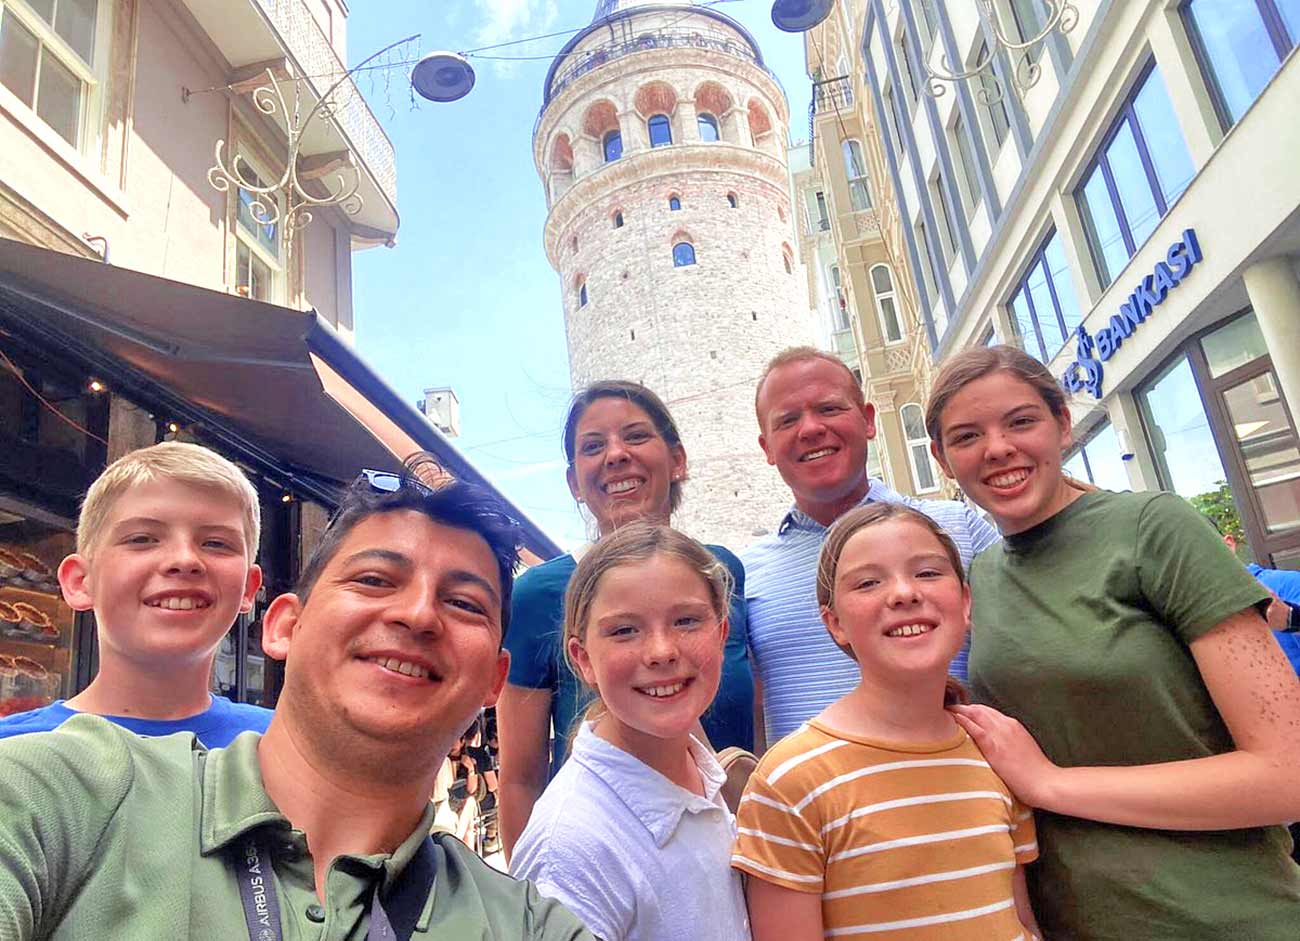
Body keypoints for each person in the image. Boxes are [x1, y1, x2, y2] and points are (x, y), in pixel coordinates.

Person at [0, 465, 595, 939]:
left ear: (494, 681)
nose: (417, 615)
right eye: (374, 580)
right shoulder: (61, 794)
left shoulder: (528, 924)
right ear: (284, 625)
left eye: (464, 603)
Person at [925, 345, 1300, 939]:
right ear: (944, 460)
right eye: (967, 436)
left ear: (1063, 425)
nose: (998, 448)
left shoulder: (1154, 528)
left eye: (1021, 421)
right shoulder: (984, 577)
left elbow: (1288, 772)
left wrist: (1050, 782)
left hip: (1221, 918)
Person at [733, 502, 1041, 941]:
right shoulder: (791, 779)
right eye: (868, 582)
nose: (903, 593)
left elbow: (1021, 922)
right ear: (835, 622)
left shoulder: (997, 751)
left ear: (966, 601)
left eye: (928, 573)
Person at [499, 380, 754, 856]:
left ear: (677, 460)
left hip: (738, 849)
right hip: (613, 854)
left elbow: (748, 720)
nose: (616, 455)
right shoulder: (537, 594)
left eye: (636, 436)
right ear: (575, 481)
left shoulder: (722, 571)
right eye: (593, 447)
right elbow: (520, 778)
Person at [742, 347, 999, 745]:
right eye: (788, 420)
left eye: (829, 409)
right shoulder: (746, 575)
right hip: (818, 803)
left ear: (867, 421)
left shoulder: (959, 528)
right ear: (767, 449)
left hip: (961, 792)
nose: (810, 429)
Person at [511, 523, 750, 941]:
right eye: (624, 630)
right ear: (583, 659)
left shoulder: (703, 774)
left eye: (687, 621)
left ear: (722, 634)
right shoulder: (572, 849)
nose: (661, 651)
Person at [0, 441, 268, 746]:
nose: (184, 560)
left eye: (216, 543)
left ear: (248, 588)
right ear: (80, 581)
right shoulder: (12, 753)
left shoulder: (289, 748)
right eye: (142, 539)